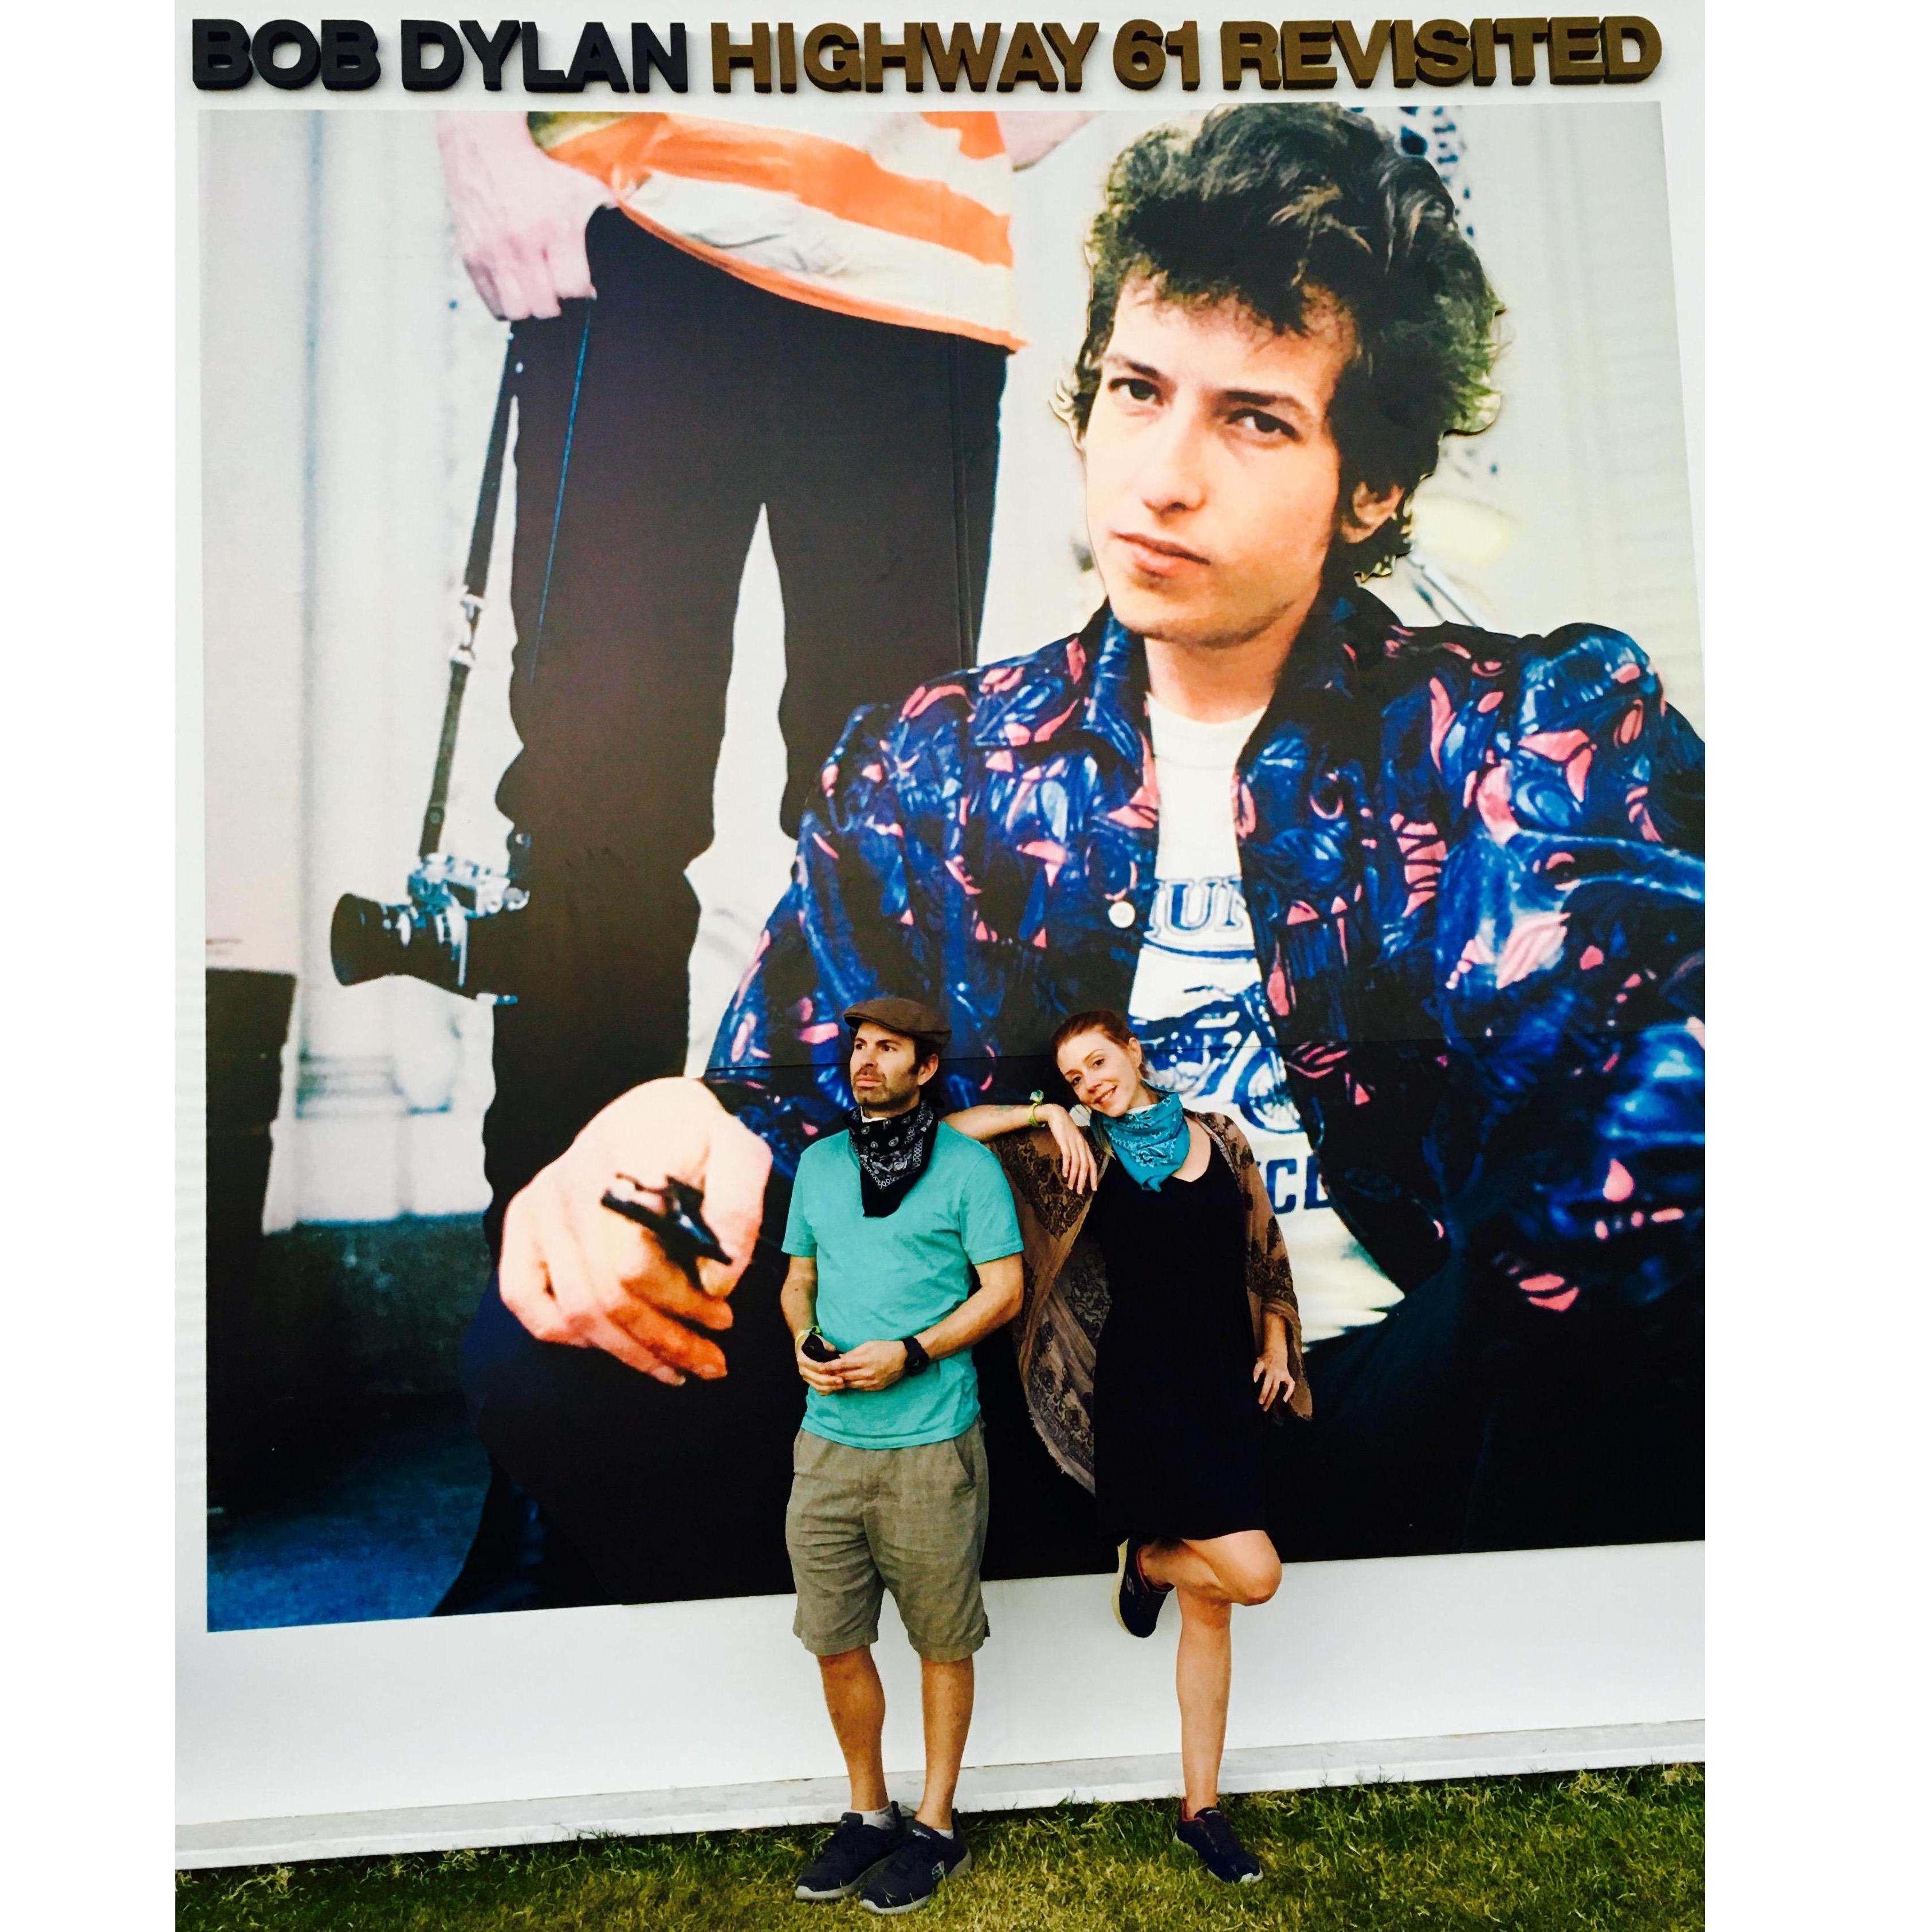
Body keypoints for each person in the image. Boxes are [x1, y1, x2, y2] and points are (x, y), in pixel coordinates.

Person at [488, 104, 1704, 1591]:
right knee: (553, 1322)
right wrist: (674, 1135)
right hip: (1040, 1427)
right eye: (1136, 391)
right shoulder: (934, 761)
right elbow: (796, 1093)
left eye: (1252, 418)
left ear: (1372, 483)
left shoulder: (1527, 723)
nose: (1161, 476)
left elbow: (1639, 1086)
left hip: (1398, 1432)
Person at [434, 105, 1086, 1608]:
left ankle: (857, 1407)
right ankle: (544, 1441)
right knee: (591, 824)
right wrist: (481, 115)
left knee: (894, 833)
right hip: (639, 225)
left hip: (909, 262)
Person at [944, 1008, 1306, 1883]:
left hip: (1225, 1386)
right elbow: (954, 1137)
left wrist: (1276, 1340)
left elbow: (1264, 1250)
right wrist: (1047, 1115)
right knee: (1255, 1575)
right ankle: (1148, 1562)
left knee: (1214, 1613)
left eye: (1099, 1063)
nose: (1092, 1082)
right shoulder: (1083, 1153)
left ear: (1135, 1052)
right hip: (1143, 1395)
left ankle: (1201, 1809)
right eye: (1075, 1076)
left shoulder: (1222, 1137)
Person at [776, 998, 1023, 1913]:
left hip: (933, 1448)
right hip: (827, 1449)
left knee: (941, 1644)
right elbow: (797, 1279)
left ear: (926, 1068)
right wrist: (803, 1336)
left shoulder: (966, 1169)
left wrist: (914, 1352)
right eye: (858, 1047)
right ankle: (867, 1814)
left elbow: (1005, 1290)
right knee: (837, 1642)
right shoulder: (820, 1163)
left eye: (888, 1049)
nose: (865, 1061)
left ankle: (936, 1825)